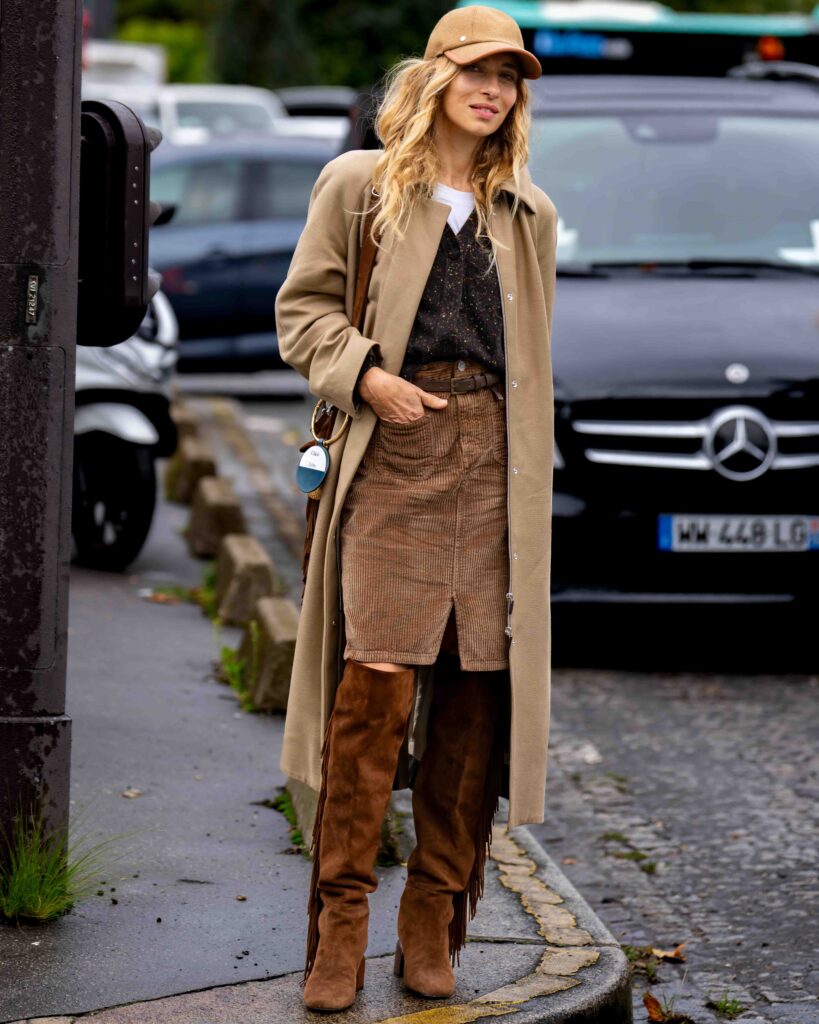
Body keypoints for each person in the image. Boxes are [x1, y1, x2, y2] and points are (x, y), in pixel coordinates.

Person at [274, 5, 558, 1013]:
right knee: (375, 693)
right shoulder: (359, 185)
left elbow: (533, 369)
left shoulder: (529, 212)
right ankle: (338, 923)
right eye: (479, 70)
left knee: (477, 696)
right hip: (394, 457)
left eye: (512, 76)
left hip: (493, 470)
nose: (495, 89)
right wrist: (368, 378)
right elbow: (300, 312)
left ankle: (434, 914)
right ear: (435, 76)